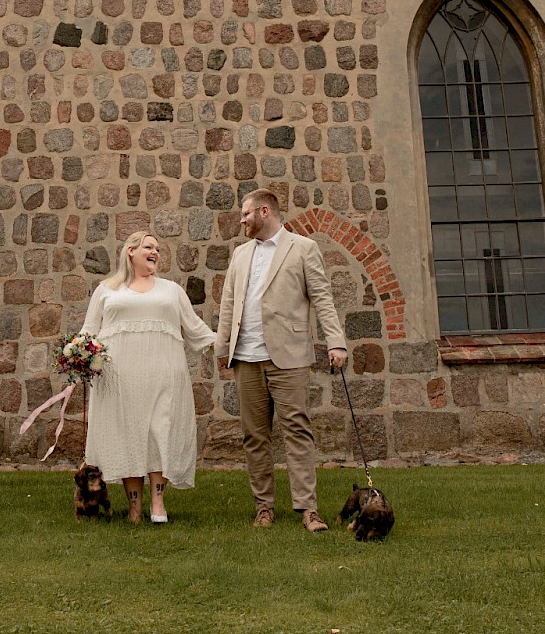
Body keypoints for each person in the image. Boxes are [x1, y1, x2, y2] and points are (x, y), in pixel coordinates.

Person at [215, 189, 349, 532]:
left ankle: (308, 509)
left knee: (297, 431)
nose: (242, 219)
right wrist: (222, 349)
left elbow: (322, 297)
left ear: (264, 211)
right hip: (246, 358)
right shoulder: (240, 255)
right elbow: (229, 305)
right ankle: (264, 507)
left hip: (288, 357)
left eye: (246, 213)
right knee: (254, 436)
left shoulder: (303, 248)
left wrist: (336, 342)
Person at [82, 230, 215, 523]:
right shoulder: (107, 289)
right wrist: (76, 354)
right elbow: (89, 330)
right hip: (119, 377)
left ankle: (158, 503)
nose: (155, 252)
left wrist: (227, 343)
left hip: (164, 372)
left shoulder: (171, 290)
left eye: (157, 249)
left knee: (160, 432)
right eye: (148, 247)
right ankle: (133, 508)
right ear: (131, 251)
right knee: (129, 435)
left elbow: (195, 329)